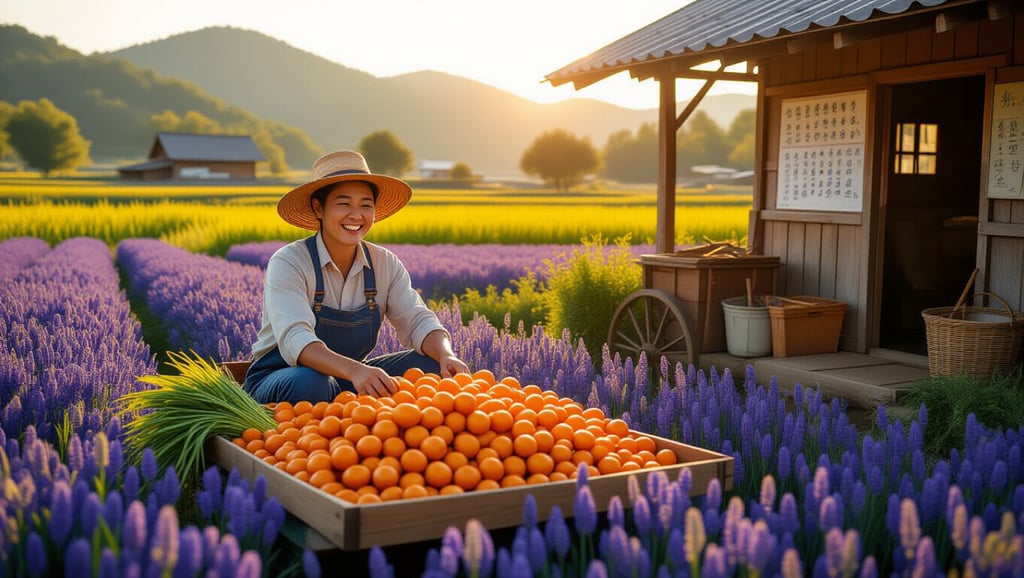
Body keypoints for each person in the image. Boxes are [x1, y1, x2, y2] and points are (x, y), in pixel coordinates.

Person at [244, 150, 469, 404]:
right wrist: (355, 371)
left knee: (429, 368)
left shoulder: (384, 263)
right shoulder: (290, 262)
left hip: (347, 380)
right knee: (311, 381)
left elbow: (417, 320)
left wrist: (446, 355)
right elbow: (296, 338)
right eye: (344, 204)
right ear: (319, 208)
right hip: (283, 378)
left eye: (365, 205)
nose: (356, 215)